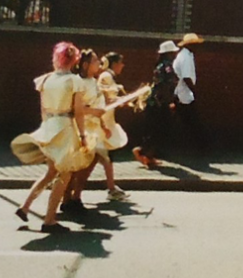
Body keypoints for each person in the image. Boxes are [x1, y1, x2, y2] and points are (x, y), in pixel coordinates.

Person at [11, 42, 98, 233]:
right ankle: (49, 219)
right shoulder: (75, 81)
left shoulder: (46, 79)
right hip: (65, 127)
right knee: (64, 174)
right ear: (75, 59)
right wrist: (83, 135)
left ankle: (25, 206)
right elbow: (78, 111)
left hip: (49, 125)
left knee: (51, 172)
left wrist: (45, 128)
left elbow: (43, 109)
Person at [60, 49, 116, 215]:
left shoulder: (94, 81)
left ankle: (76, 196)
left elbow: (97, 104)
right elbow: (73, 108)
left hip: (94, 128)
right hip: (80, 127)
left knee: (90, 162)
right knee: (75, 165)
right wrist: (94, 113)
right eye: (95, 61)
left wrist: (103, 124)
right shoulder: (78, 82)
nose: (99, 64)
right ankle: (66, 198)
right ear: (85, 65)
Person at [132, 41, 180, 168]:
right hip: (159, 103)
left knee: (156, 129)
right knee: (161, 129)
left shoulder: (160, 65)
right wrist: (169, 102)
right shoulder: (168, 66)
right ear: (169, 53)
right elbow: (166, 85)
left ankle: (149, 155)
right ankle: (142, 151)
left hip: (156, 102)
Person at [96, 52, 130, 200]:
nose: (122, 65)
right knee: (103, 155)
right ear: (114, 64)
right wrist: (119, 100)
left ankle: (111, 187)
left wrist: (120, 100)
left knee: (104, 156)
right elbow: (103, 99)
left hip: (107, 121)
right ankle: (111, 188)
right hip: (103, 122)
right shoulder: (106, 77)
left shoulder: (107, 76)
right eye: (120, 62)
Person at [173, 33, 210, 152]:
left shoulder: (186, 55)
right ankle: (199, 148)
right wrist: (195, 92)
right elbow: (186, 77)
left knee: (189, 122)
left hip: (183, 94)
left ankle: (195, 146)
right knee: (193, 122)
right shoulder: (185, 57)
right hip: (184, 95)